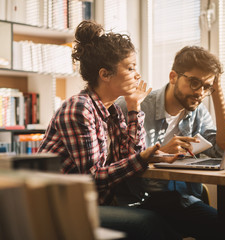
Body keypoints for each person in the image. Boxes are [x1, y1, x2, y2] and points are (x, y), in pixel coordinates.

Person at [38, 20, 181, 240]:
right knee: (148, 223)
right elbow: (92, 176)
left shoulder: (111, 111)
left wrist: (134, 107)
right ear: (105, 74)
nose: (137, 75)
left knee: (170, 209)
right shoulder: (79, 108)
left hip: (93, 202)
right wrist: (142, 158)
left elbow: (129, 157)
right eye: (131, 67)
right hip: (60, 208)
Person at [116, 46, 225, 240]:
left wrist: (217, 92)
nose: (200, 92)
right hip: (139, 199)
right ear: (173, 77)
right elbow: (117, 162)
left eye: (206, 87)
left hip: (179, 199)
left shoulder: (197, 112)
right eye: (194, 82)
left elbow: (222, 150)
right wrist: (158, 153)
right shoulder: (132, 105)